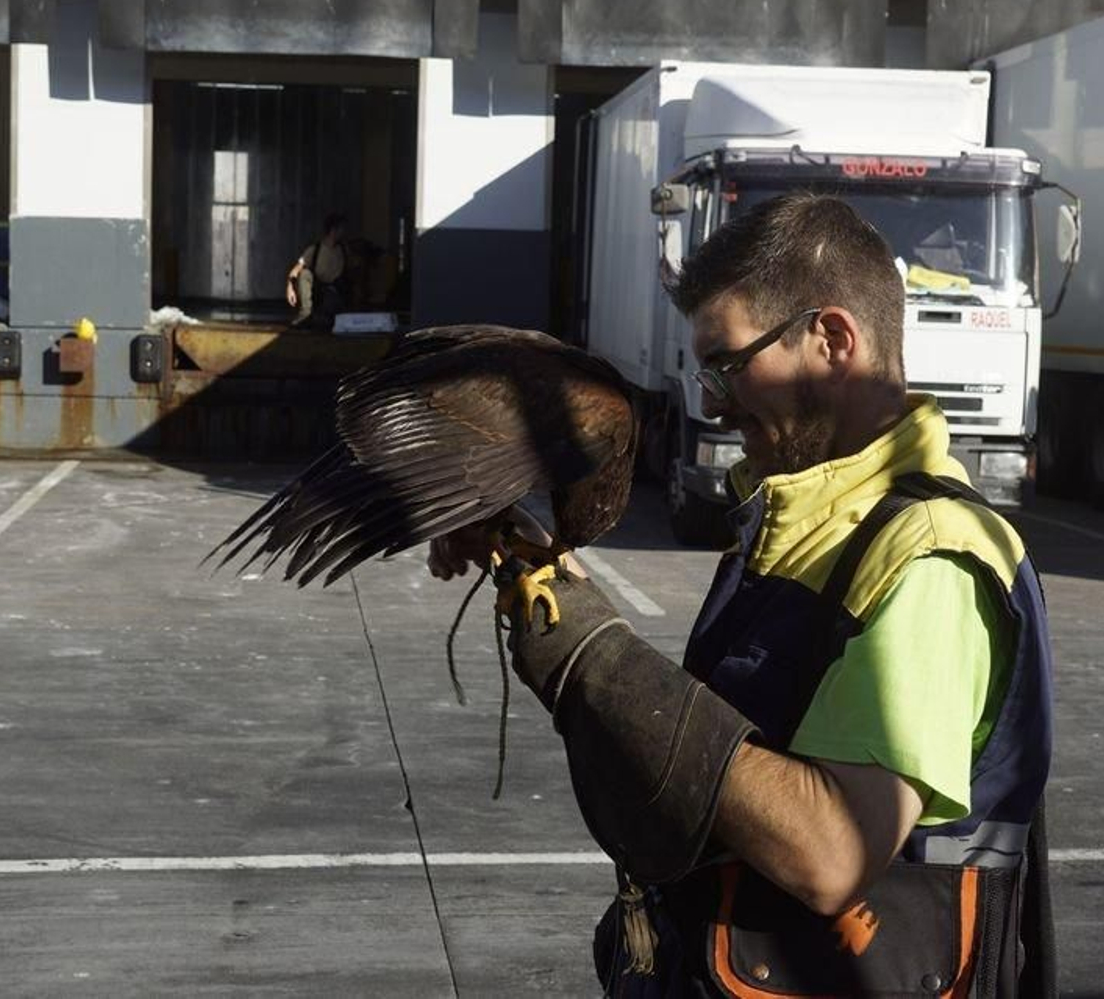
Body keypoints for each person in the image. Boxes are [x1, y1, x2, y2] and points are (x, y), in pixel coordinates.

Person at [429, 194, 1054, 997]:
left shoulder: (934, 558)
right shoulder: (801, 523)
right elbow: (714, 747)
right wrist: (536, 567)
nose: (713, 399)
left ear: (831, 339)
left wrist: (597, 661)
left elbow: (832, 850)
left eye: (727, 361)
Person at [286, 214, 348, 328]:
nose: (343, 232)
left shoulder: (343, 250)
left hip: (335, 291)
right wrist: (290, 288)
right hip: (319, 290)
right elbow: (296, 269)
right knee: (305, 274)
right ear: (333, 230)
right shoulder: (315, 249)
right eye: (341, 229)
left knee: (328, 314)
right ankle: (306, 313)